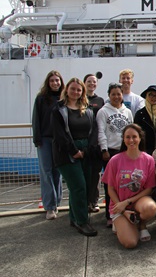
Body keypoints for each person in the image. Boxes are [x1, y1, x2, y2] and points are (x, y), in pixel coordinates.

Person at [51, 77, 98, 236]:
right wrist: (73, 151)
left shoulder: (88, 109)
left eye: (79, 90)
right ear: (67, 90)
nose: (76, 92)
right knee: (79, 186)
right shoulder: (58, 110)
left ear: (82, 92)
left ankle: (74, 217)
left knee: (82, 186)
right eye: (73, 89)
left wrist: (87, 150)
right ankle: (82, 222)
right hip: (66, 153)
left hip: (86, 152)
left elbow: (94, 132)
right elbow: (59, 134)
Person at [101, 124, 156, 248]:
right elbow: (110, 188)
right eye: (127, 137)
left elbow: (149, 189)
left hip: (136, 201)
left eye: (134, 137)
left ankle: (141, 224)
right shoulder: (115, 160)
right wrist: (121, 207)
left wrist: (127, 202)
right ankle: (121, 222)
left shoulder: (148, 160)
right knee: (130, 243)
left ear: (140, 138)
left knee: (150, 208)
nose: (131, 140)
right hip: (119, 205)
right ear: (123, 139)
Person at [97, 82, 134, 227]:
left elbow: (132, 130)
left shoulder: (127, 112)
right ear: (109, 95)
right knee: (110, 185)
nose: (116, 97)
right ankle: (110, 214)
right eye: (113, 94)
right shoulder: (103, 111)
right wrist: (104, 149)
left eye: (119, 94)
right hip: (110, 151)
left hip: (125, 151)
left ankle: (125, 210)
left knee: (125, 183)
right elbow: (101, 131)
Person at [32, 70, 65, 220]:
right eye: (52, 80)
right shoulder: (41, 99)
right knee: (46, 171)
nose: (55, 83)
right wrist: (37, 139)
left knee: (57, 171)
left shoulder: (63, 99)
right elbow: (36, 119)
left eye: (57, 80)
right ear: (48, 82)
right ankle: (50, 207)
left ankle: (56, 202)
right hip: (45, 139)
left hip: (59, 140)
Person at [83, 73, 105, 213]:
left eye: (94, 81)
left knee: (95, 174)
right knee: (84, 173)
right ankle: (84, 202)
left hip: (96, 142)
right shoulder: (80, 99)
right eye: (89, 81)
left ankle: (94, 201)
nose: (92, 84)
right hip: (83, 141)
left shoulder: (100, 100)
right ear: (84, 83)